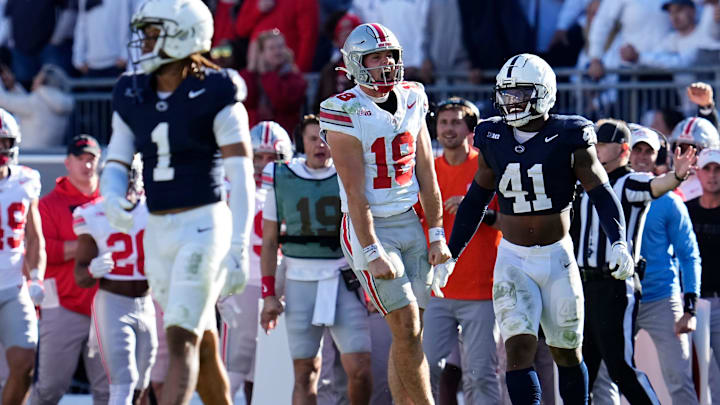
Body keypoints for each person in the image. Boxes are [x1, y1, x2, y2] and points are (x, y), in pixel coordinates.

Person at [444, 53, 633, 405]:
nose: (511, 102)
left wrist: (619, 240)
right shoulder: (492, 134)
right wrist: (451, 253)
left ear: (544, 93)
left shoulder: (569, 134)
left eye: (520, 94)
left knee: (566, 353)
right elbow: (476, 199)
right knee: (517, 349)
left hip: (557, 257)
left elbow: (601, 192)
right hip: (513, 257)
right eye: (507, 93)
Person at [100, 1, 255, 404]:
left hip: (203, 227)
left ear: (184, 35)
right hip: (158, 230)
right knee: (201, 343)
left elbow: (241, 175)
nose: (146, 43)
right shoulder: (132, 92)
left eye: (154, 34)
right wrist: (112, 194)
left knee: (180, 339)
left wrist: (239, 246)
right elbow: (116, 158)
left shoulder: (217, 90)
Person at [321, 23, 451, 405]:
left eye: (389, 56)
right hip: (371, 226)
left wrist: (438, 234)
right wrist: (372, 249)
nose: (385, 65)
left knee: (411, 333)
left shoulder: (414, 96)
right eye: (375, 58)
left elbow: (427, 171)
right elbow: (354, 190)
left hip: (410, 220)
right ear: (357, 64)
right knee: (406, 326)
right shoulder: (342, 110)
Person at [574, 119, 695, 405]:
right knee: (582, 369)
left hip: (615, 286)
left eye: (604, 145)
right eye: (596, 144)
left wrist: (676, 177)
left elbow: (655, 185)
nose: (598, 149)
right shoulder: (585, 182)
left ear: (622, 149)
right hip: (582, 286)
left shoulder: (629, 181)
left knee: (620, 366)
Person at [260, 114, 373, 405]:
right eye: (313, 138)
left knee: (359, 368)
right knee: (305, 372)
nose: (320, 144)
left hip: (343, 277)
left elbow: (366, 231)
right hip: (300, 281)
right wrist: (269, 294)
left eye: (325, 138)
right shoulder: (280, 175)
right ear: (301, 142)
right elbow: (270, 241)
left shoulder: (349, 171)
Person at [419, 97, 502, 404]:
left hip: (482, 292)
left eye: (456, 122)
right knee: (423, 370)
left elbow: (511, 221)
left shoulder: (488, 166)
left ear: (471, 129)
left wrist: (480, 212)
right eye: (443, 122)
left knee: (481, 375)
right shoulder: (426, 171)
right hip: (438, 289)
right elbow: (414, 221)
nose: (448, 128)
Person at [73, 155, 158, 405]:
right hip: (113, 304)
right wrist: (92, 270)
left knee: (142, 382)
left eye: (129, 174)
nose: (125, 182)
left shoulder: (155, 210)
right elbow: (80, 275)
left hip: (146, 303)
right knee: (124, 382)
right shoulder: (93, 213)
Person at [218, 120, 293, 403]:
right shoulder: (230, 188)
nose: (264, 164)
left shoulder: (293, 186)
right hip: (242, 284)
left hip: (280, 286)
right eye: (258, 157)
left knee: (264, 371)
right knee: (234, 365)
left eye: (271, 158)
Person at [624, 126, 700, 403]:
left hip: (662, 300)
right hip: (621, 297)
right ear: (626, 151)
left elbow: (689, 254)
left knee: (679, 379)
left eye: (649, 151)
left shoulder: (669, 202)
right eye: (637, 149)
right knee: (605, 376)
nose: (642, 156)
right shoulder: (609, 193)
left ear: (657, 156)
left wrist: (689, 307)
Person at [32, 134, 109, 405]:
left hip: (106, 306)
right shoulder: (48, 204)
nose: (87, 165)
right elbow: (44, 252)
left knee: (109, 390)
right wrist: (90, 244)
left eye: (92, 159)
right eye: (80, 159)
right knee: (50, 387)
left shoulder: (112, 199)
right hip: (62, 304)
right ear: (67, 162)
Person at [0, 108, 45, 405]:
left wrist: (38, 276)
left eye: (6, 142)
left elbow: (34, 234)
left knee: (25, 361)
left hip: (14, 286)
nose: (2, 150)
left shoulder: (26, 180)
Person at [685, 148, 720, 371]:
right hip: (690, 303)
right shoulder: (685, 210)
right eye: (707, 169)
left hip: (719, 300)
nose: (712, 175)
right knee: (688, 372)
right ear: (697, 173)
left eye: (717, 169)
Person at [240, 29, 308, 134]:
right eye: (271, 48)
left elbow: (283, 101)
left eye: (280, 47)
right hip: (255, 132)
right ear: (261, 53)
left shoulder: (293, 75)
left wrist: (266, 75)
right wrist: (251, 68)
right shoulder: (251, 76)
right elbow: (246, 100)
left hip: (284, 133)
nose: (277, 52)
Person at [0, 64, 73, 148]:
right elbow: (25, 102)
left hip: (29, 154)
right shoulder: (61, 101)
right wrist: (14, 86)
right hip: (50, 154)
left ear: (42, 81)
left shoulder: (37, 101)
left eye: (37, 77)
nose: (34, 79)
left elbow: (3, 100)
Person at [669, 116, 720, 201]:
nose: (686, 156)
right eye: (682, 149)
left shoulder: (711, 185)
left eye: (693, 150)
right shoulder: (665, 177)